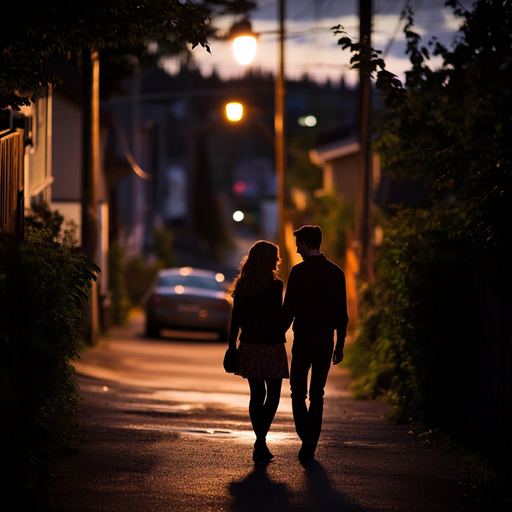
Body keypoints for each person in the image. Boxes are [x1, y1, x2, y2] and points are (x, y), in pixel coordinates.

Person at [283, 225, 348, 463]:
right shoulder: (336, 273)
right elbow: (342, 312)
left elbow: (288, 309)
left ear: (305, 244)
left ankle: (306, 437)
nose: (297, 250)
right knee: (317, 394)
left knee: (297, 392)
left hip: (303, 339)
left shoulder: (298, 272)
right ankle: (311, 441)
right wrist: (340, 343)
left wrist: (278, 336)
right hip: (325, 340)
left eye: (298, 244)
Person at [228, 240, 289, 463]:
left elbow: (236, 319)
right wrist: (284, 327)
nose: (277, 260)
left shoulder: (242, 285)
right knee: (273, 394)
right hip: (272, 345)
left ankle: (260, 440)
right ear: (266, 259)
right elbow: (278, 316)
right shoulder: (276, 286)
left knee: (257, 394)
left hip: (250, 345)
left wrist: (232, 345)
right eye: (275, 256)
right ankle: (260, 440)